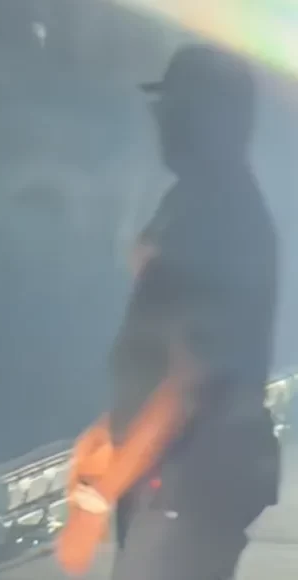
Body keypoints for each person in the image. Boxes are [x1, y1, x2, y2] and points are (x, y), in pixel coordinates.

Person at [57, 44, 282, 579]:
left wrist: (97, 501)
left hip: (192, 475)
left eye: (176, 108)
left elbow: (187, 378)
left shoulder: (219, 217)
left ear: (216, 119)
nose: (162, 122)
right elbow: (160, 354)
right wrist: (111, 429)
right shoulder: (193, 201)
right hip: (176, 469)